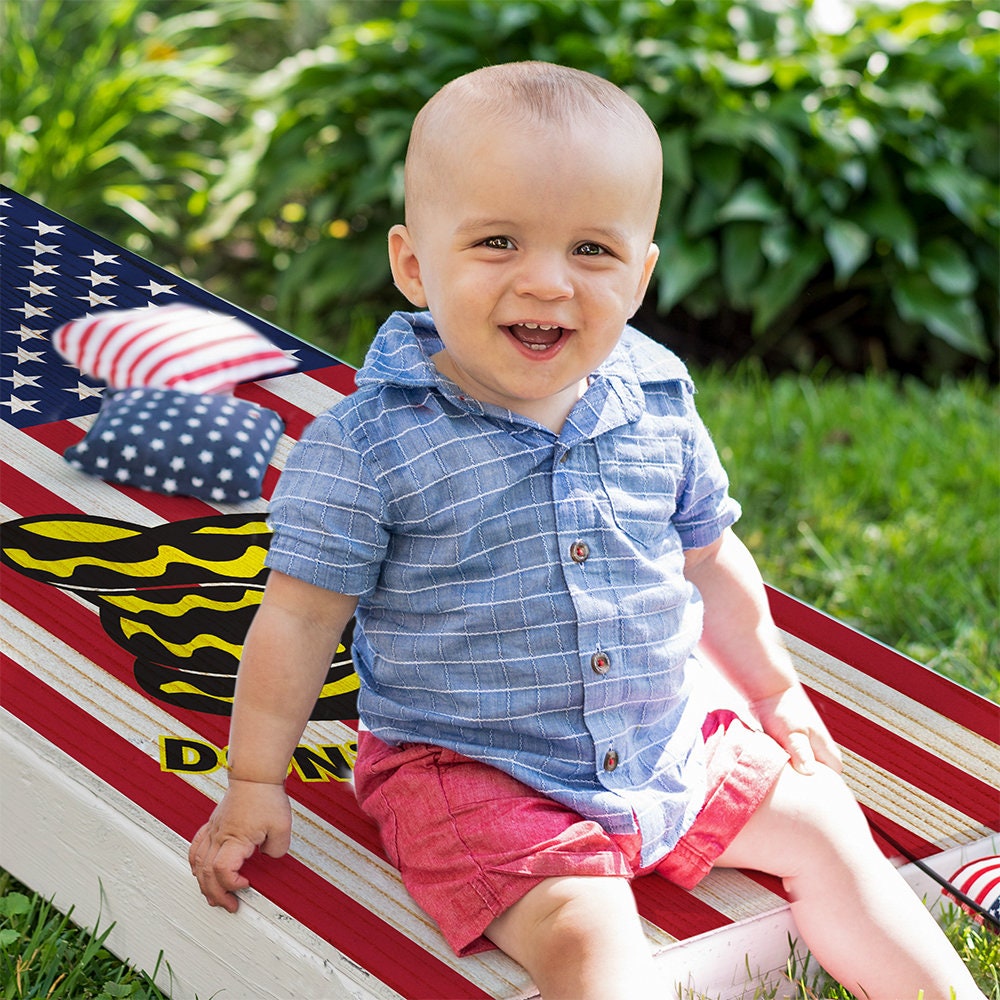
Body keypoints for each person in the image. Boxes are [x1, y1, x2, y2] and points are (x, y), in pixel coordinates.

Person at [189, 62, 983, 999]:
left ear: (641, 275)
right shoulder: (373, 445)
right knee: (586, 935)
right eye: (496, 240)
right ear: (413, 264)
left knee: (828, 829)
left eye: (592, 252)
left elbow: (709, 554)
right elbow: (298, 618)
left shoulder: (656, 397)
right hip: (478, 770)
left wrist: (774, 689)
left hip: (664, 740)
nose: (547, 282)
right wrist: (252, 782)